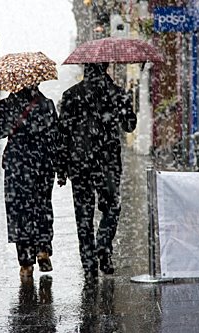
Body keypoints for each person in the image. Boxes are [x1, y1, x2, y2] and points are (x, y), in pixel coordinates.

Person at [58, 63, 137, 279]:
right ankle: (103, 244)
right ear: (107, 67)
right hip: (107, 161)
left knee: (83, 215)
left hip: (79, 162)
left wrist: (61, 169)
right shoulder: (117, 93)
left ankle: (89, 263)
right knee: (112, 206)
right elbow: (130, 125)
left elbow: (62, 134)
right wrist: (127, 102)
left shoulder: (71, 95)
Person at [0, 85, 59, 279]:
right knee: (42, 206)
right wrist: (60, 165)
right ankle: (43, 249)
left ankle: (25, 262)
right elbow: (55, 135)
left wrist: (7, 118)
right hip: (42, 163)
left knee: (19, 211)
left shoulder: (7, 105)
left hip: (17, 165)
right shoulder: (46, 104)